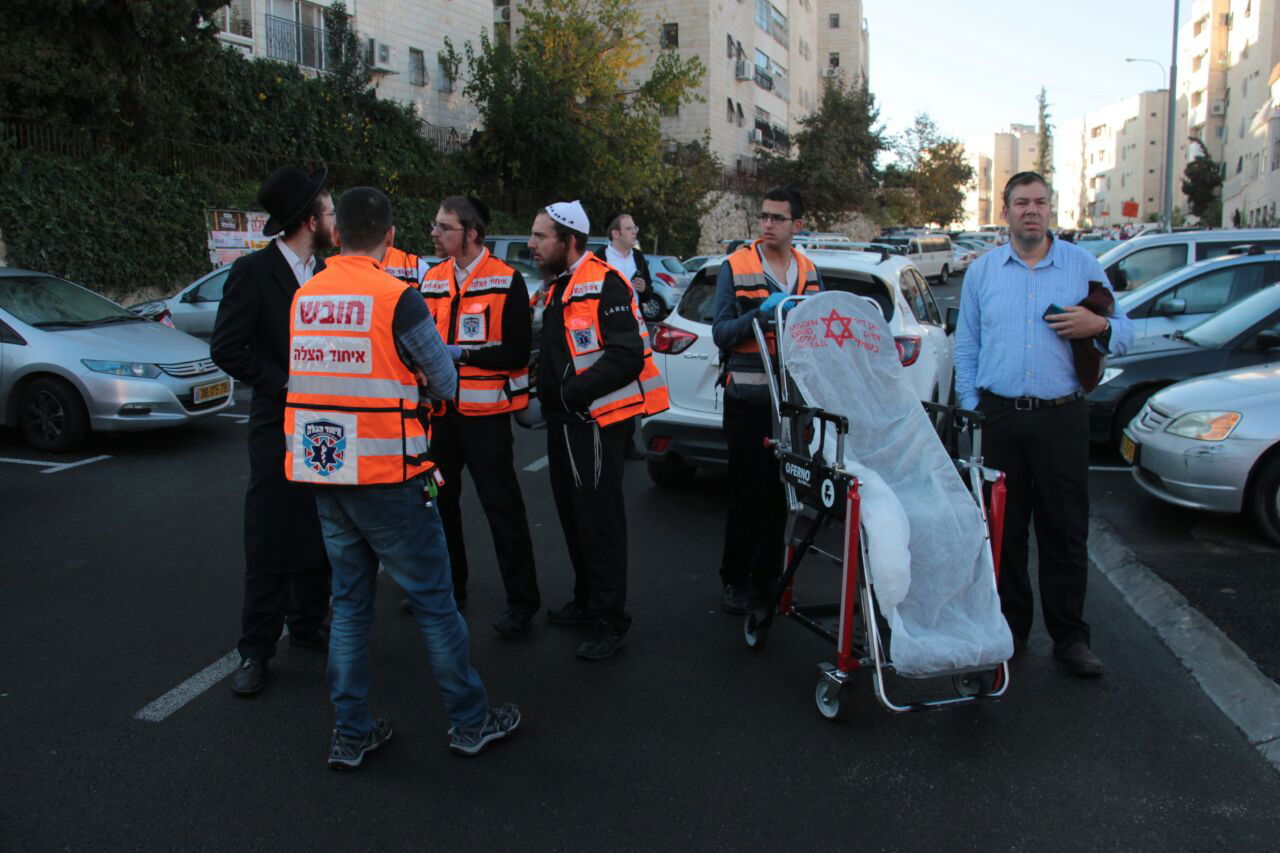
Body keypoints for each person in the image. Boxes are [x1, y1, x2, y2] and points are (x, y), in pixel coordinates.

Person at [285, 186, 519, 768]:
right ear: (390, 239)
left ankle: (351, 732)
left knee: (350, 606)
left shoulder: (305, 296)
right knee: (437, 605)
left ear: (337, 236)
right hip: (390, 472)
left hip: (325, 469)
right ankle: (470, 723)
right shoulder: (398, 297)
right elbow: (445, 381)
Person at [954, 171, 1133, 678]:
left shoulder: (1081, 266)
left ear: (1050, 209)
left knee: (1065, 530)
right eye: (1021, 203)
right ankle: (1010, 631)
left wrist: (1098, 326)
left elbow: (1125, 332)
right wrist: (974, 407)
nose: (1031, 210)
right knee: (1003, 531)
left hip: (1062, 418)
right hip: (1001, 417)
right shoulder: (983, 273)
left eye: (1040, 202)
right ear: (1005, 211)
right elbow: (966, 346)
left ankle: (1070, 637)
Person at [211, 164, 334, 697]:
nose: (335, 218)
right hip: (277, 425)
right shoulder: (253, 273)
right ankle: (255, 650)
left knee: (319, 526)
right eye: (329, 211)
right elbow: (227, 348)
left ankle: (308, 625)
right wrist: (283, 384)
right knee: (268, 535)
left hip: (325, 428)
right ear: (309, 219)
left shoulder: (329, 274)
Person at [527, 201, 669, 660]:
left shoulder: (605, 282)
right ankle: (588, 601)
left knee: (600, 522)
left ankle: (611, 620)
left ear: (568, 241)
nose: (531, 244)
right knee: (574, 518)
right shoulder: (558, 286)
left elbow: (626, 355)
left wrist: (572, 393)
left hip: (595, 423)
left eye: (540, 236)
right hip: (565, 423)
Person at [415, 195, 540, 635]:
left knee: (502, 508)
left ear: (470, 233)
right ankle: (452, 586)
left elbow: (517, 350)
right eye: (436, 225)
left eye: (443, 227)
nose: (434, 233)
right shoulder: (431, 280)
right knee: (436, 503)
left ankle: (522, 603)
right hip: (440, 415)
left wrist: (462, 354)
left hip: (486, 418)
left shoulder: (506, 281)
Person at [711, 187, 822, 616]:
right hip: (750, 400)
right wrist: (759, 315)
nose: (768, 224)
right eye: (764, 216)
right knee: (745, 496)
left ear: (797, 224)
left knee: (782, 496)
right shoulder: (736, 266)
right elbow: (721, 332)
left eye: (778, 217)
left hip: (793, 404)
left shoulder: (809, 271)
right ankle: (734, 580)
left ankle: (768, 583)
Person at [593, 213, 653, 461]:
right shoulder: (599, 257)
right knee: (606, 383)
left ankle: (626, 443)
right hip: (606, 330)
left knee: (631, 385)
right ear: (615, 233)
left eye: (634, 228)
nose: (634, 232)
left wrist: (644, 289)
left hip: (635, 329)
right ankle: (602, 435)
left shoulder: (637, 257)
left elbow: (648, 293)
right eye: (629, 228)